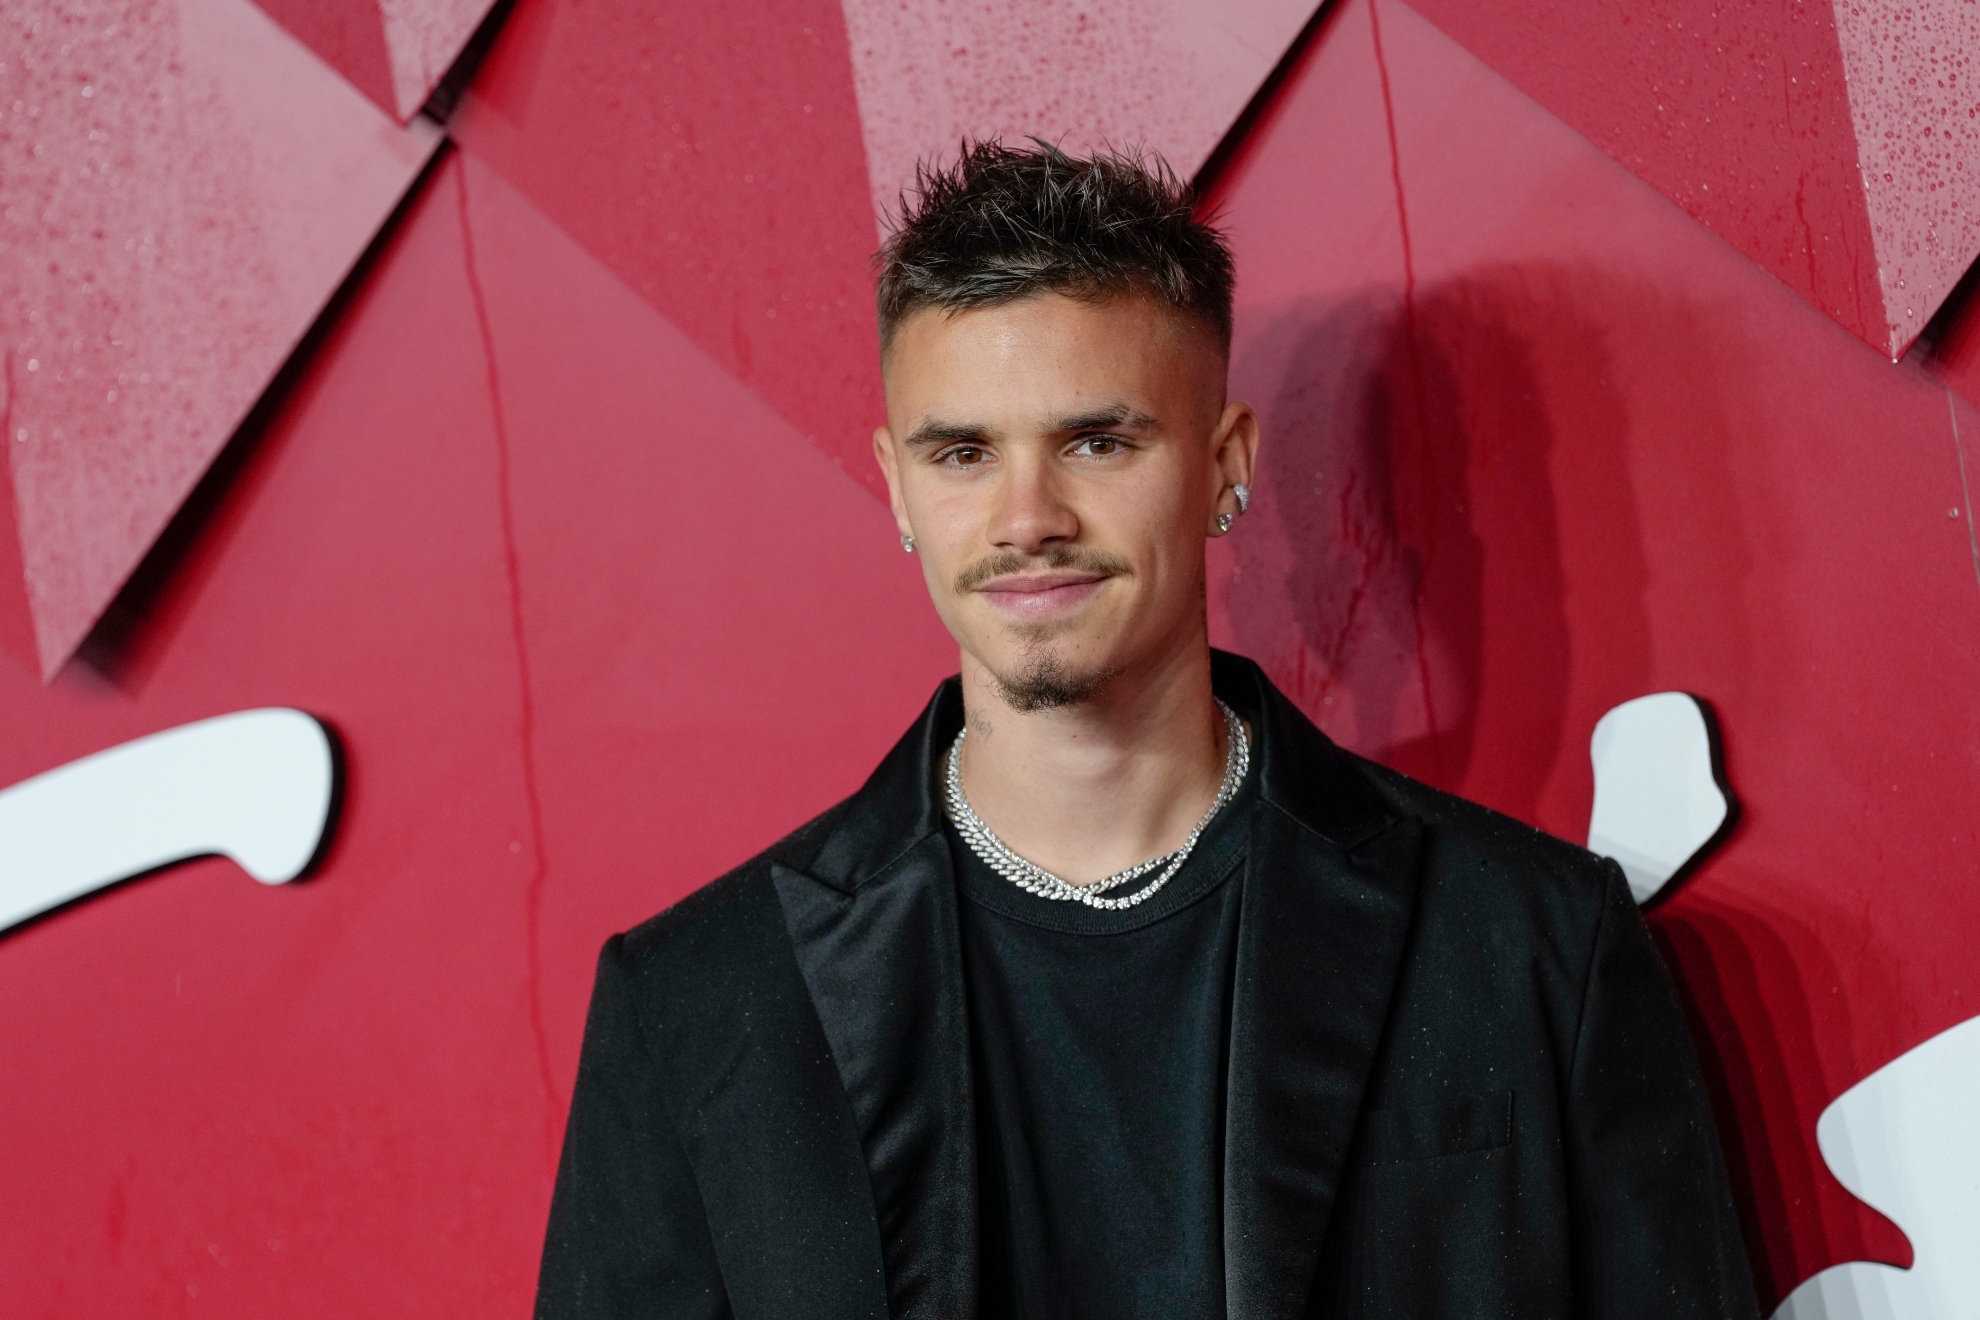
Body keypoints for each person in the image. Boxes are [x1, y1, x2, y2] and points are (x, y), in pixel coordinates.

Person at [533, 140, 1759, 1320]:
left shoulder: (1533, 944)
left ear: (1224, 465)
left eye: (1098, 441)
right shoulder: (697, 1004)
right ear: (900, 488)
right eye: (962, 452)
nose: (1027, 517)